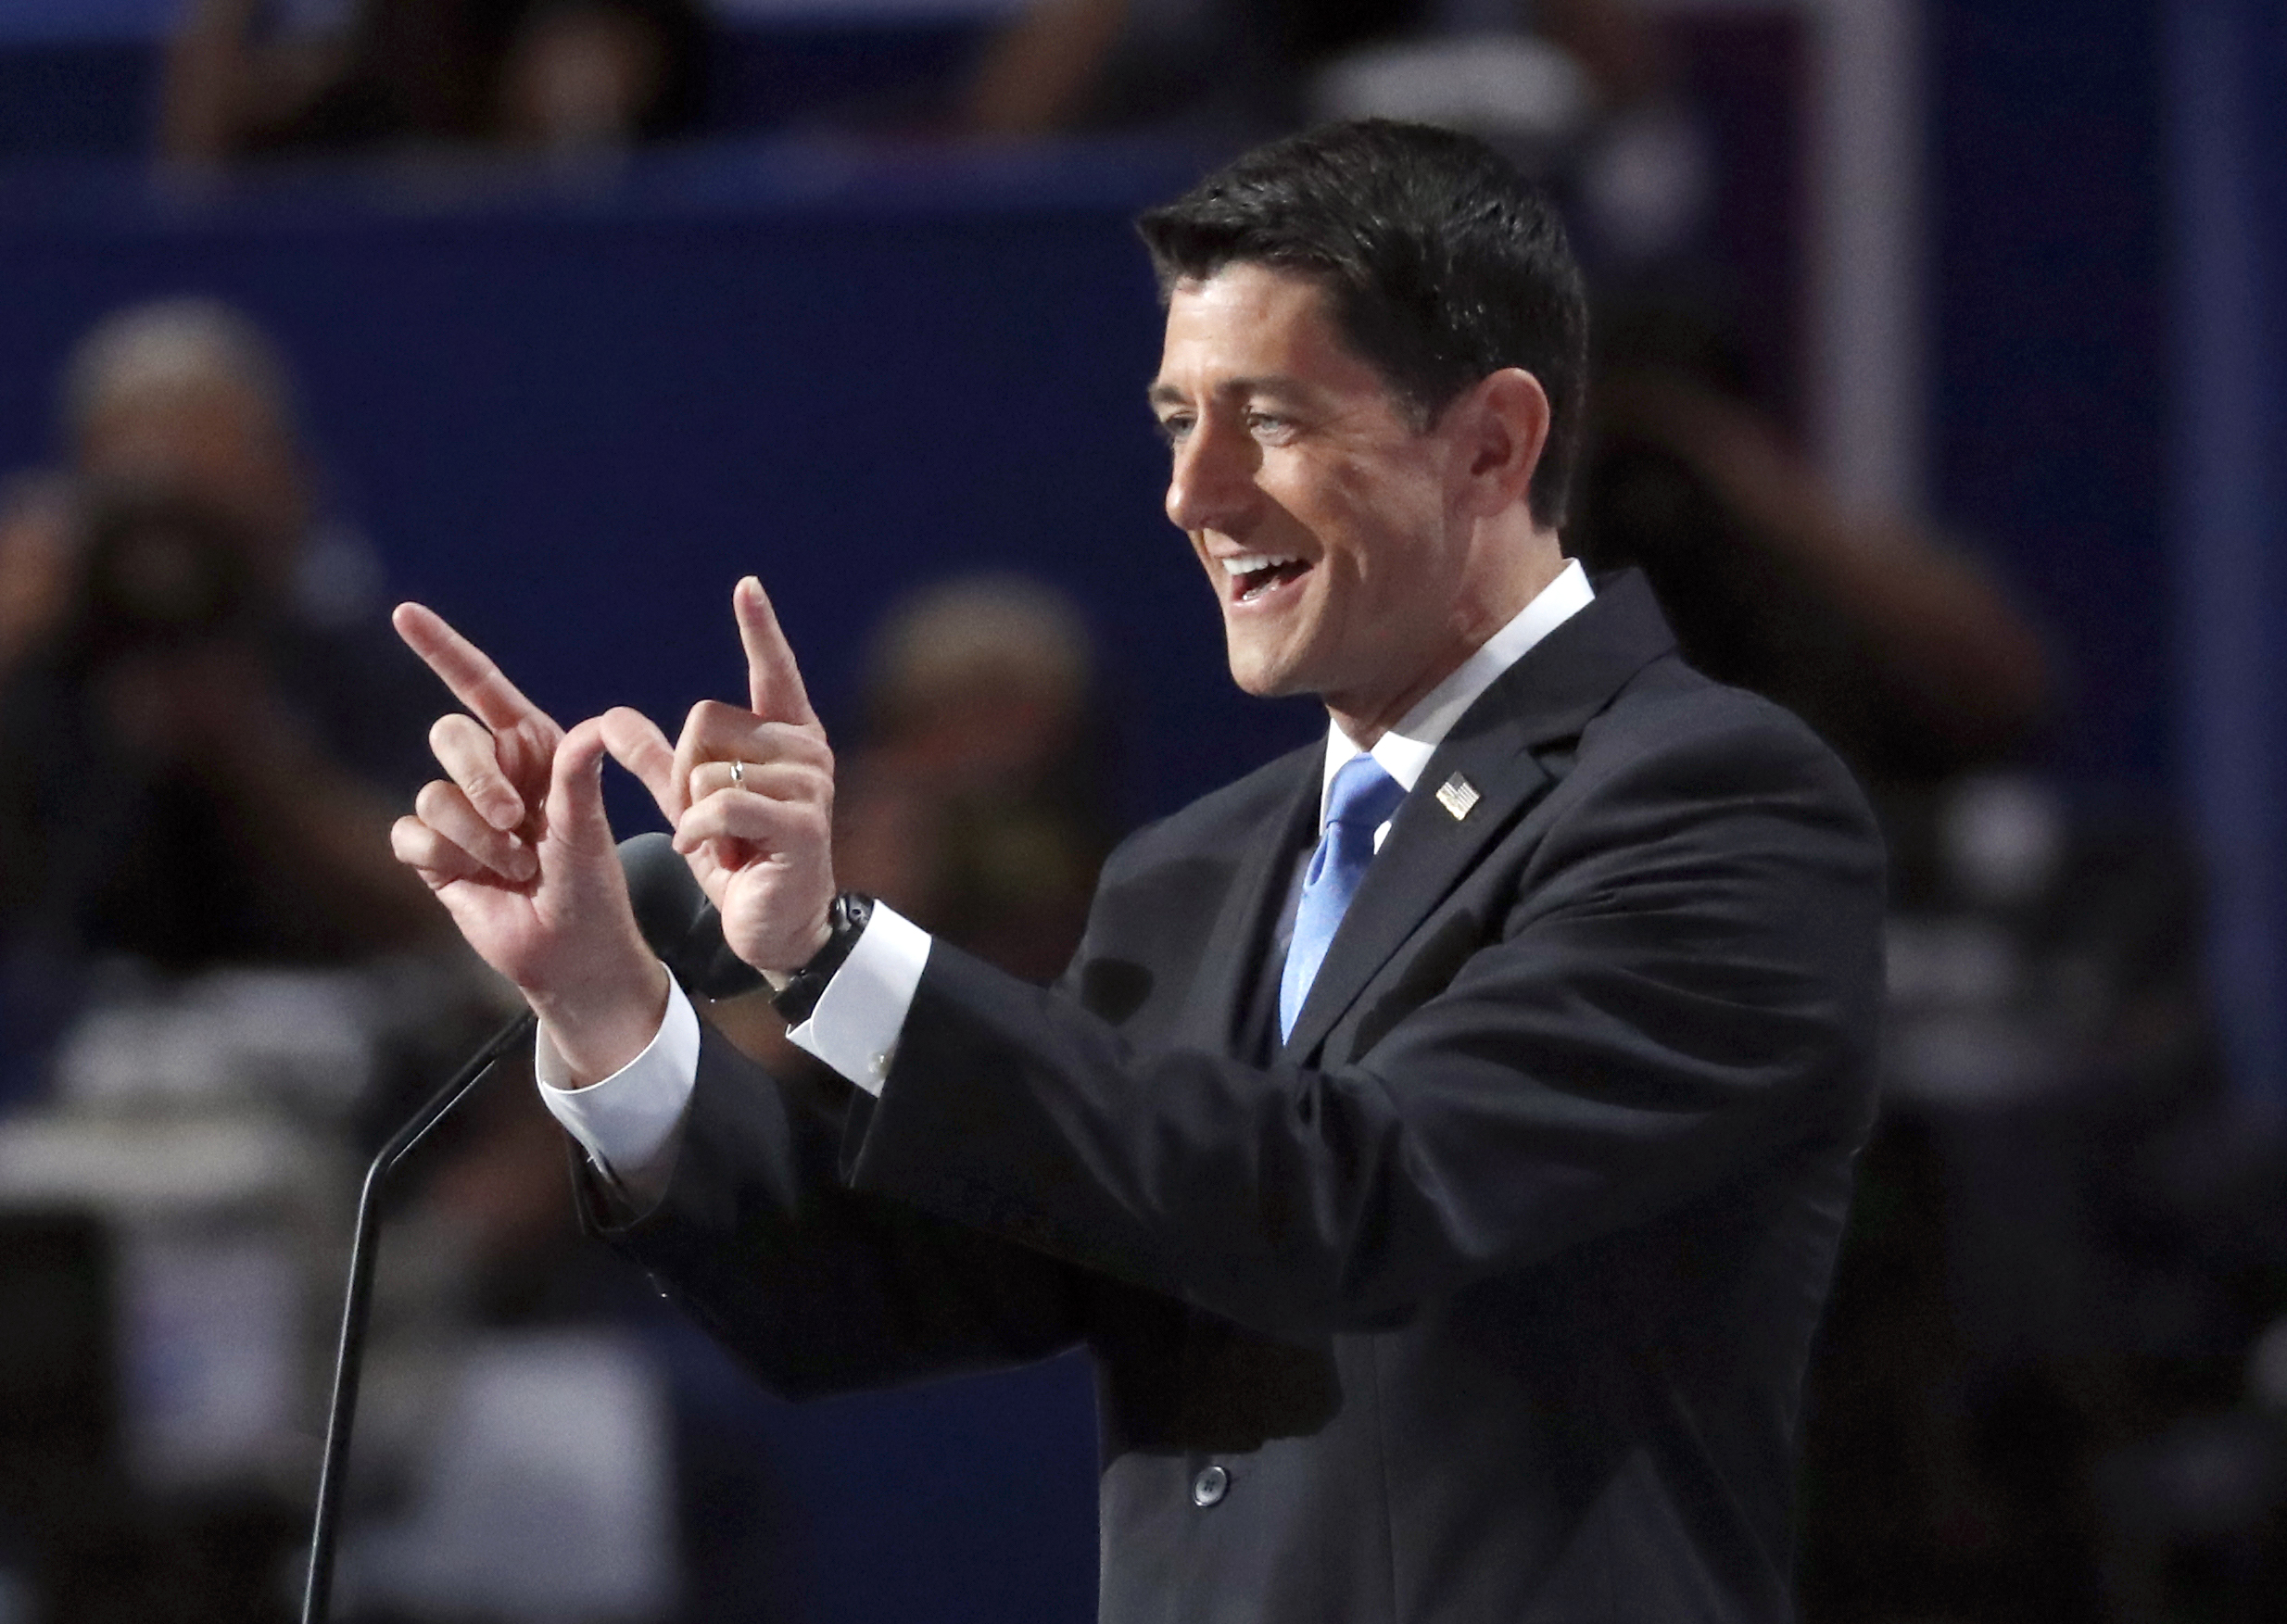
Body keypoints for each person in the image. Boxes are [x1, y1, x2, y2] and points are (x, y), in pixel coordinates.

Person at [390, 120, 1885, 1621]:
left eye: (1272, 420)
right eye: (1177, 420)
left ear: (1491, 441)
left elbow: (1355, 1198)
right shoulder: (1193, 872)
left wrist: (837, 952)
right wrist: (605, 1007)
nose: (1194, 493)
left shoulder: (1711, 806)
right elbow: (869, 1296)